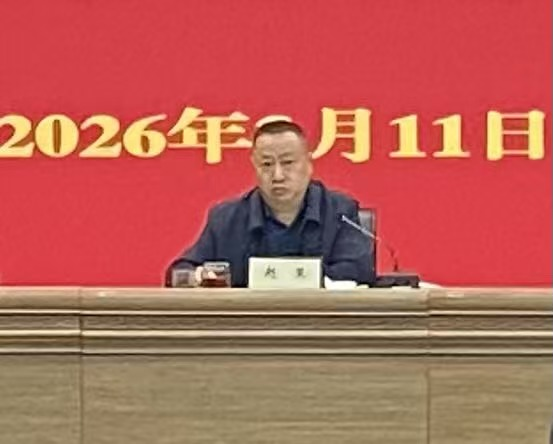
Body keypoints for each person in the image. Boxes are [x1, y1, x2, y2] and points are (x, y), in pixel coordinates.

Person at [166, 120, 375, 287]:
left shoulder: (341, 212)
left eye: (288, 163)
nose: (277, 175)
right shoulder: (226, 219)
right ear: (254, 166)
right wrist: (200, 276)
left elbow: (360, 271)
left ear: (308, 163)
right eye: (266, 164)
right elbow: (179, 273)